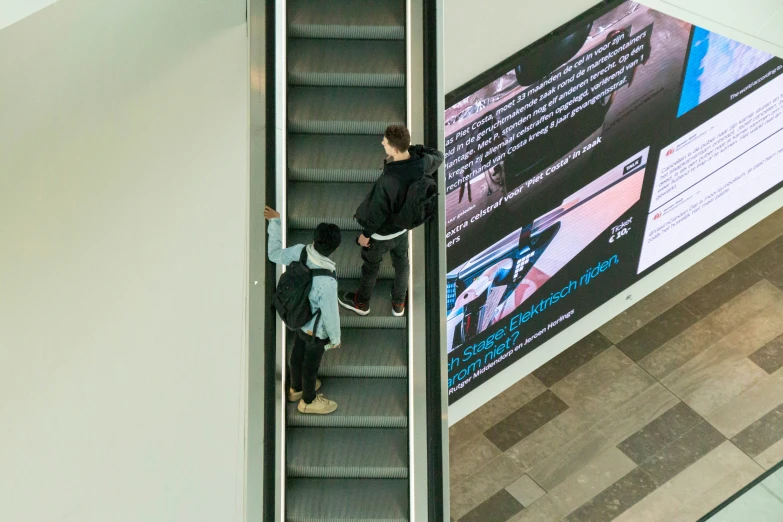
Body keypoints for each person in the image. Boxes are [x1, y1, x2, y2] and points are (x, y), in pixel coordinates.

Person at [339, 124, 444, 316]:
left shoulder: (388, 181)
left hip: (381, 235)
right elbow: (439, 156)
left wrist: (365, 235)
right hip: (403, 229)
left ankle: (362, 303)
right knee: (402, 264)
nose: (382, 143)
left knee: (371, 266)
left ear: (394, 150)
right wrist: (413, 149)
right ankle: (398, 304)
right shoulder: (423, 162)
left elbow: (377, 213)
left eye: (385, 142)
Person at [265, 206, 341, 415]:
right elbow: (330, 314)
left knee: (297, 354)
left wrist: (275, 222)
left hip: (295, 317)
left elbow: (274, 254)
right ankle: (307, 401)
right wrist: (335, 338)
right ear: (334, 248)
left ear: (315, 240)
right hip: (315, 331)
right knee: (311, 366)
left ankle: (295, 388)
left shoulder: (299, 251)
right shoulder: (327, 281)